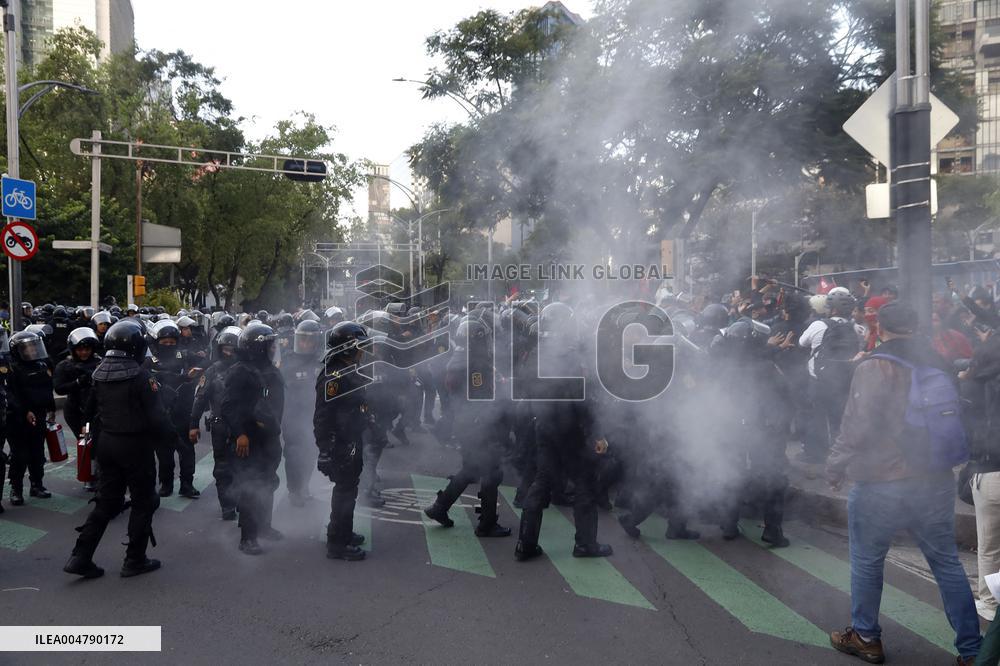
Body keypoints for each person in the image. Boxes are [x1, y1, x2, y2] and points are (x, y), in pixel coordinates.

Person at [826, 302, 980, 665]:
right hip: (935, 478)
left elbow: (857, 426)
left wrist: (835, 464)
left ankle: (865, 637)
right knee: (946, 562)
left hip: (882, 479)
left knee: (867, 558)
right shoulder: (937, 360)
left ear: (879, 327)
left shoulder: (876, 364)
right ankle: (973, 651)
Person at [63, 320, 168, 579]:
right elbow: (158, 418)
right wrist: (171, 442)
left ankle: (80, 556)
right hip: (135, 446)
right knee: (145, 501)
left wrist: (92, 441)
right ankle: (135, 560)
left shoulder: (99, 373)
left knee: (106, 503)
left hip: (107, 445)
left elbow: (87, 413)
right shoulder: (142, 376)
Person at [423, 317, 511, 538]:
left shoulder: (460, 357)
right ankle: (487, 523)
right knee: (492, 471)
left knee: (471, 469)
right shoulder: (475, 363)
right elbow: (481, 398)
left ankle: (440, 507)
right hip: (478, 424)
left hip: (464, 422)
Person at [222, 323, 285, 555]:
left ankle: (264, 527)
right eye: (268, 345)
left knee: (267, 483)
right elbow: (228, 406)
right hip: (250, 440)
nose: (272, 349)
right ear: (257, 348)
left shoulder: (269, 369)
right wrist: (241, 433)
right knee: (249, 485)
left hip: (269, 438)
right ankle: (247, 537)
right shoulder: (240, 371)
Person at [314, 321, 371, 561]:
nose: (362, 350)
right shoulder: (334, 377)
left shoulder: (349, 369)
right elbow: (322, 416)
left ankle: (340, 532)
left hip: (351, 439)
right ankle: (337, 544)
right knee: (344, 492)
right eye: (358, 346)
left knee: (349, 489)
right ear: (347, 348)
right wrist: (325, 449)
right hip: (341, 443)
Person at [189, 325, 241, 520]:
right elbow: (200, 398)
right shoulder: (211, 371)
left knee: (244, 466)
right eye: (225, 348)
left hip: (243, 427)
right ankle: (227, 506)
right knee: (222, 468)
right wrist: (193, 424)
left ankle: (244, 502)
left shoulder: (247, 369)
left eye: (232, 348)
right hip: (220, 426)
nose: (229, 352)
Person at [6, 330, 55, 505]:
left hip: (39, 415)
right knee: (20, 455)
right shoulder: (11, 369)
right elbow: (10, 395)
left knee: (37, 453)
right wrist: (24, 411)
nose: (32, 351)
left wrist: (51, 409)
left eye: (34, 347)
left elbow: (47, 390)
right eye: (27, 348)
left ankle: (37, 485)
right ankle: (16, 488)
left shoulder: (41, 366)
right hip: (17, 419)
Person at [279, 319, 323, 507]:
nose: (304, 344)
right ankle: (293, 490)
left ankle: (304, 485)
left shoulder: (321, 362)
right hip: (292, 418)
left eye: (309, 340)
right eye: (302, 339)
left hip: (314, 417)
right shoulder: (287, 362)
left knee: (311, 453)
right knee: (293, 455)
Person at [53, 327, 101, 491]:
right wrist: (78, 383)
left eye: (87, 349)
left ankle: (99, 473)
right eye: (80, 349)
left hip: (96, 410)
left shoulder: (99, 363)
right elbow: (59, 388)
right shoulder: (65, 365)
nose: (84, 353)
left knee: (100, 444)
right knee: (87, 444)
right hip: (76, 410)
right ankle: (89, 476)